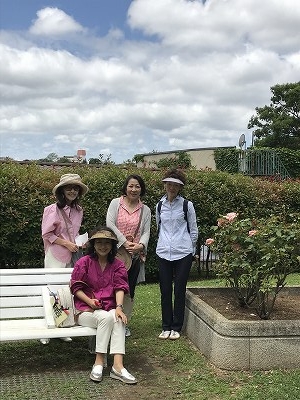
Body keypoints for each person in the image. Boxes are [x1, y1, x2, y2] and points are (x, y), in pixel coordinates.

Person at [70, 226, 137, 384]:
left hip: (108, 309)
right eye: (99, 242)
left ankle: (118, 366)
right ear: (93, 244)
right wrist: (89, 302)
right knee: (107, 318)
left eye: (107, 242)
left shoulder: (118, 265)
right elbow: (75, 288)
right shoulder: (83, 262)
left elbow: (120, 287)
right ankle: (99, 361)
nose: (103, 246)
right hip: (85, 311)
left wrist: (119, 308)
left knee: (117, 318)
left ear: (112, 245)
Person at [40, 173, 88, 345]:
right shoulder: (51, 210)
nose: (72, 191)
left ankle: (62, 326)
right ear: (62, 191)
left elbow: (73, 233)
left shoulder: (79, 210)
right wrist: (67, 244)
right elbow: (47, 234)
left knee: (66, 290)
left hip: (72, 254)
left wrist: (79, 243)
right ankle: (46, 329)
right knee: (51, 289)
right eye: (69, 188)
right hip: (56, 254)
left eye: (75, 188)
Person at [106, 174, 151, 337]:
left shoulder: (145, 210)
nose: (134, 189)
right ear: (125, 187)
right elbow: (110, 224)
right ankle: (109, 320)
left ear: (141, 189)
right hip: (115, 254)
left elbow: (146, 232)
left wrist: (140, 246)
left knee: (128, 290)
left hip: (133, 257)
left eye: (137, 186)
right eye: (131, 186)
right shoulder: (115, 203)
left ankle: (124, 323)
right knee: (111, 287)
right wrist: (124, 242)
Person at [156, 169, 198, 340]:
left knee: (179, 289)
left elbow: (194, 230)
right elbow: (159, 228)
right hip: (163, 251)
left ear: (180, 187)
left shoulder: (187, 205)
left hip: (183, 252)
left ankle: (177, 326)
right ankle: (166, 325)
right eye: (169, 184)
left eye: (176, 185)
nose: (172, 187)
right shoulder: (159, 205)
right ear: (165, 185)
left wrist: (192, 251)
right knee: (165, 289)